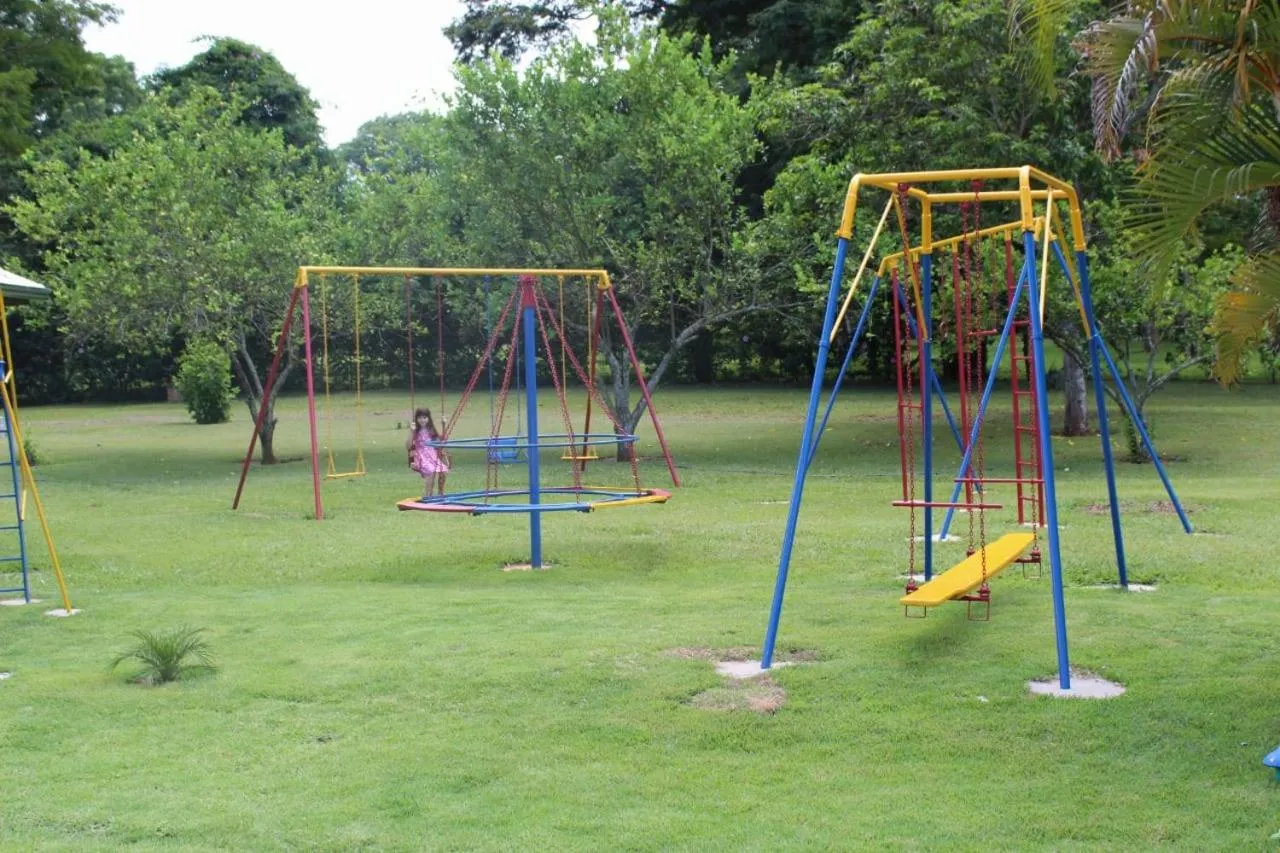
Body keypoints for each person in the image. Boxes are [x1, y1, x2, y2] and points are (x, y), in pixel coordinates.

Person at [407, 407, 450, 496]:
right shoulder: (415, 431)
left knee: (443, 471)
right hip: (421, 456)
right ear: (416, 419)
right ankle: (428, 495)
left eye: (424, 417)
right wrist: (411, 431)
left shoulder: (431, 430)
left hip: (433, 455)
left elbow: (442, 441)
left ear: (428, 418)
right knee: (431, 472)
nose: (422, 420)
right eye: (419, 418)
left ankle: (440, 493)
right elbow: (408, 446)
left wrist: (443, 425)